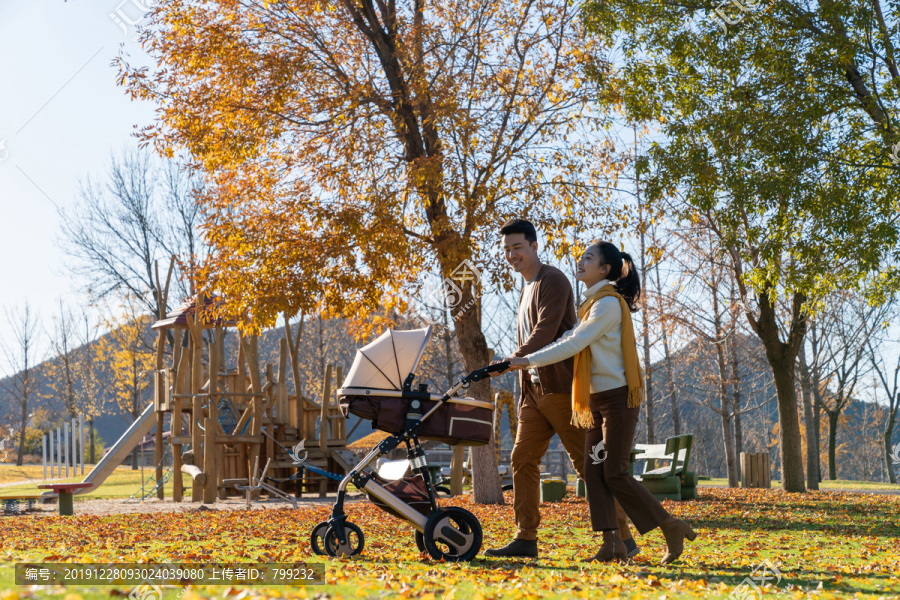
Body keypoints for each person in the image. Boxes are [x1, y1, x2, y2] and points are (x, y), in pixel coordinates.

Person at [504, 240, 697, 564]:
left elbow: (577, 342)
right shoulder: (593, 305)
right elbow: (569, 337)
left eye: (588, 258)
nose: (580, 262)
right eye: (582, 257)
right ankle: (613, 546)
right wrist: (531, 358)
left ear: (604, 270)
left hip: (618, 401)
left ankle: (670, 525)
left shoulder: (607, 304)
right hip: (595, 401)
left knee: (615, 472)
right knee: (594, 473)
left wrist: (527, 360)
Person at [484, 219, 638, 559]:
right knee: (521, 460)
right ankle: (525, 537)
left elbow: (546, 332)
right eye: (507, 249)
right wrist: (517, 368)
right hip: (533, 393)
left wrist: (512, 361)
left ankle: (623, 538)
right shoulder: (526, 288)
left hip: (562, 391)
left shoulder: (552, 280)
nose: (512, 254)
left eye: (518, 247)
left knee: (588, 467)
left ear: (534, 246)